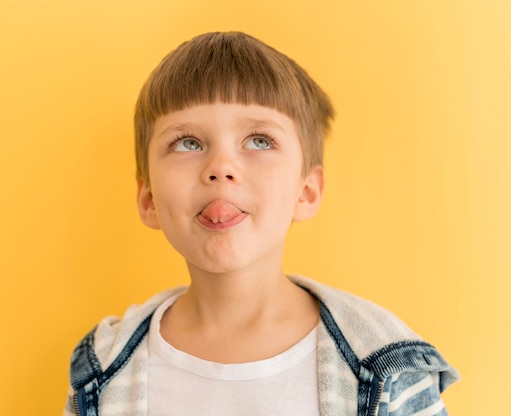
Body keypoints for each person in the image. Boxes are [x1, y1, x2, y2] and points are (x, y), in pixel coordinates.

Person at [64, 31, 458, 416]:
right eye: (188, 143)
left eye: (258, 141)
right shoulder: (102, 368)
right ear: (148, 198)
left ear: (306, 191)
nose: (220, 168)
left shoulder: (384, 361)